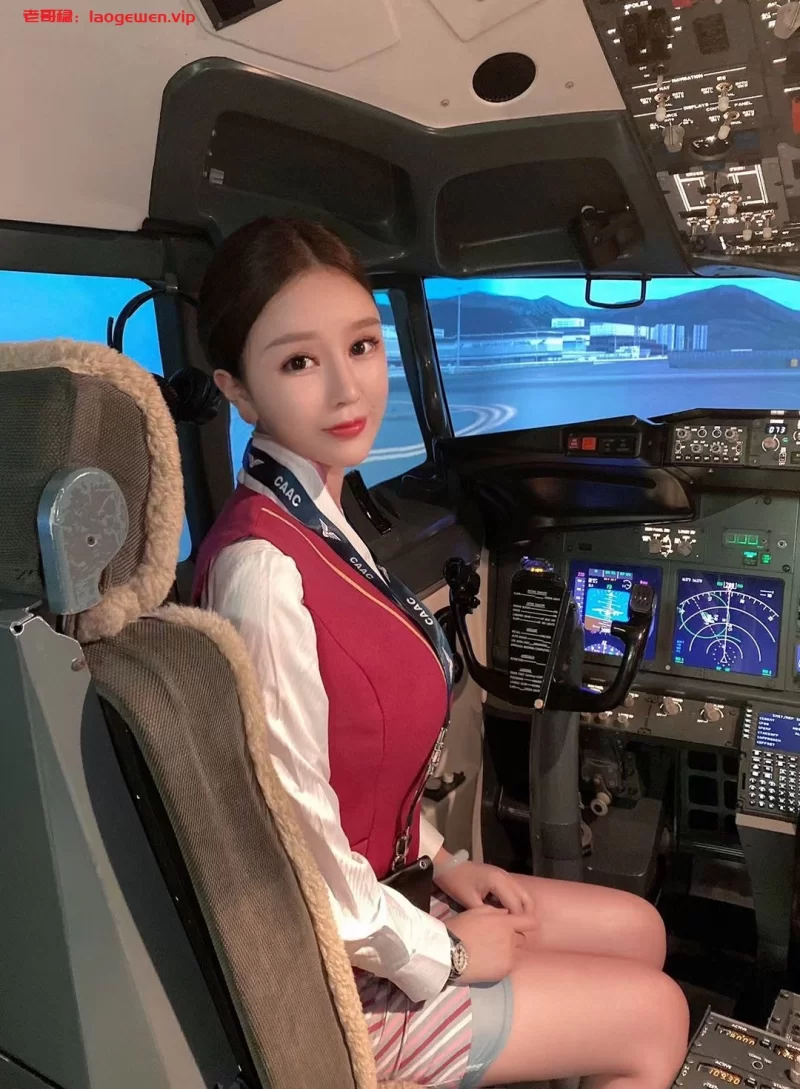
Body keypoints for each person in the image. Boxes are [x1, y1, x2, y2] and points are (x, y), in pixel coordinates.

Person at [191, 216, 690, 1089]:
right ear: (238, 391)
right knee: (657, 1016)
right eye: (299, 362)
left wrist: (453, 864)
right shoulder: (262, 574)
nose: (346, 388)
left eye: (361, 346)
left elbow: (352, 780)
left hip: (389, 898)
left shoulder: (326, 519)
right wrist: (451, 952)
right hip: (339, 980)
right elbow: (293, 847)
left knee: (639, 931)